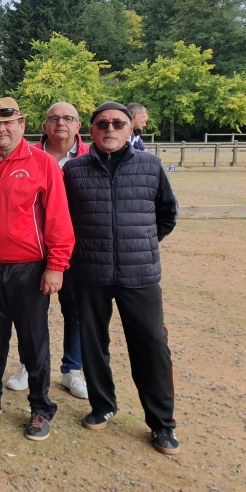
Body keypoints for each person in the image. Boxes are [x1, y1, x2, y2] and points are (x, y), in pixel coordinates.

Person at [64, 101, 180, 455]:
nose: (110, 129)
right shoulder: (74, 170)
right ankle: (103, 405)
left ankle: (162, 423)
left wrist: (140, 243)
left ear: (130, 129)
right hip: (90, 271)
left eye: (118, 123)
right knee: (94, 343)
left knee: (150, 346)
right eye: (103, 124)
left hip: (139, 273)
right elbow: (63, 219)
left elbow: (167, 214)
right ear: (91, 130)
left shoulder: (151, 166)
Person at [0, 98, 74, 442]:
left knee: (33, 341)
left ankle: (40, 407)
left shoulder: (42, 164)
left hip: (30, 268)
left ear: (22, 125)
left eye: (8, 123)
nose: (1, 130)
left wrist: (56, 266)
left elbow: (57, 219)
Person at [9, 102, 89, 400]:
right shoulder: (28, 156)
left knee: (75, 311)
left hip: (76, 250)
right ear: (43, 126)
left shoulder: (89, 158)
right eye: (54, 118)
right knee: (29, 315)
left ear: (78, 126)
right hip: (32, 250)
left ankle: (73, 368)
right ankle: (27, 366)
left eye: (68, 118)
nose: (60, 123)